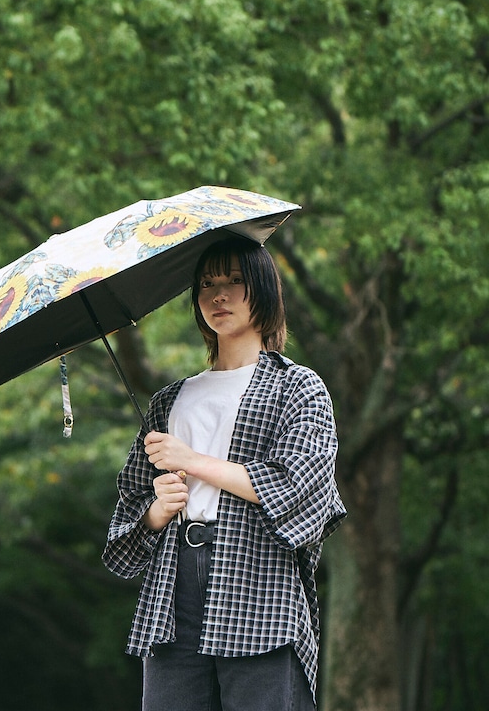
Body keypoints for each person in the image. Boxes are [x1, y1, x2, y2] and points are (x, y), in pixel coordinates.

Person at [103, 237, 346, 711]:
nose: (219, 295)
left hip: (259, 581)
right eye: (207, 285)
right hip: (174, 589)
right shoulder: (169, 400)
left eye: (235, 281)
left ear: (264, 290)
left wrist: (191, 461)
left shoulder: (297, 387)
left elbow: (296, 485)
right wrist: (157, 511)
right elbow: (129, 507)